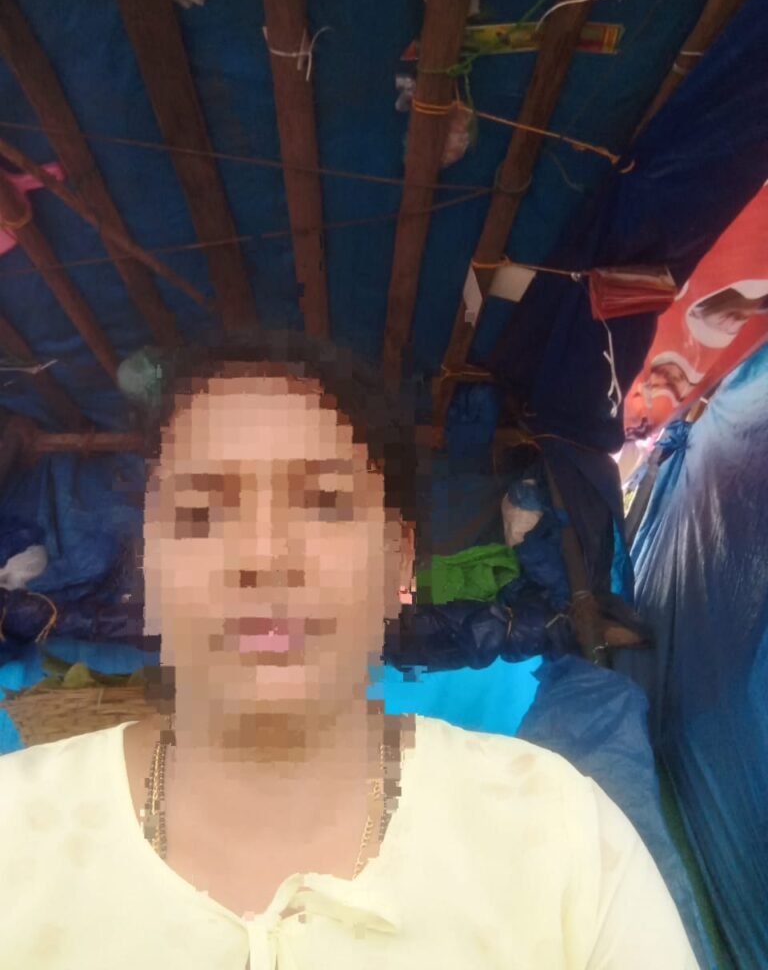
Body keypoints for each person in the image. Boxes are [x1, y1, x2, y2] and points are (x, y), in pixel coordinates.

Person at [0, 328, 700, 969]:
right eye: (201, 513)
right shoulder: (17, 833)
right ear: (148, 564)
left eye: (325, 505)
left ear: (401, 563)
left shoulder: (556, 837)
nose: (264, 556)